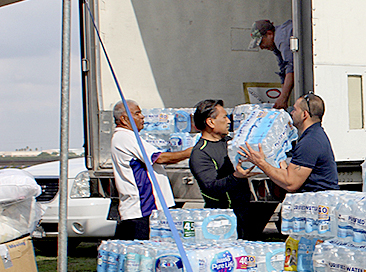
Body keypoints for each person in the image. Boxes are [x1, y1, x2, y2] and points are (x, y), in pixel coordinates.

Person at [189, 99, 274, 240]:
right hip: (222, 220)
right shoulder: (200, 153)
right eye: (224, 117)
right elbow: (210, 187)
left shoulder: (230, 143)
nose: (229, 121)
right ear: (210, 122)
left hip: (244, 214)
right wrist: (236, 176)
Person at [111, 99, 192, 240]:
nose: (142, 117)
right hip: (141, 210)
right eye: (137, 113)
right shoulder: (124, 136)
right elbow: (159, 158)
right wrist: (191, 152)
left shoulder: (131, 136)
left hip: (149, 210)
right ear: (124, 119)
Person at [239, 92, 339, 192]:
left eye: (295, 110)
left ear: (304, 114)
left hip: (318, 199)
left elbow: (291, 184)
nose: (291, 113)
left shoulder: (310, 142)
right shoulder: (314, 135)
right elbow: (288, 175)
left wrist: (260, 162)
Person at [250, 19, 295, 110]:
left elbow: (292, 67)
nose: (262, 47)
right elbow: (283, 70)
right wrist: (282, 97)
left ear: (270, 34)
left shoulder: (281, 39)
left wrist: (283, 98)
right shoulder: (275, 46)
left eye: (261, 42)